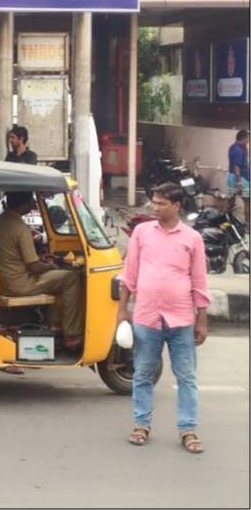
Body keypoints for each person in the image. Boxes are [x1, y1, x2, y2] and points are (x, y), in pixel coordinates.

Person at [117, 182, 209, 453]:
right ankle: (141, 425)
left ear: (177, 206)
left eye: (161, 204)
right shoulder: (142, 233)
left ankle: (188, 429)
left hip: (181, 319)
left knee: (186, 377)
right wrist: (123, 310)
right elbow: (129, 274)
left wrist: (201, 320)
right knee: (143, 373)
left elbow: (199, 281)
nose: (155, 208)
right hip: (147, 317)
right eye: (154, 203)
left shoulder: (192, 238)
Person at [0, 191, 83, 351]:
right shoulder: (20, 227)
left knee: (58, 281)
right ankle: (72, 335)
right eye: (31, 202)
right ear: (24, 204)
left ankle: (55, 325)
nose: (33, 206)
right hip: (19, 284)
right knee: (70, 277)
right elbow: (34, 266)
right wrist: (51, 265)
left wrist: (41, 259)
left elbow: (12, 256)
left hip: (2, 281)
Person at [227, 129, 249, 219]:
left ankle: (228, 220)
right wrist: (239, 182)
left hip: (231, 177)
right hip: (240, 179)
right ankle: (248, 226)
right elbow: (237, 167)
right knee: (248, 202)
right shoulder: (239, 150)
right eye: (248, 139)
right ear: (243, 138)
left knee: (231, 201)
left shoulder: (233, 147)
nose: (248, 141)